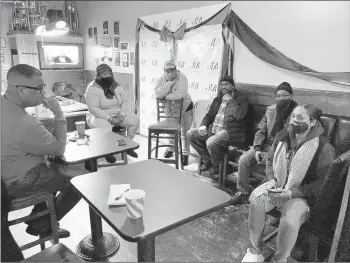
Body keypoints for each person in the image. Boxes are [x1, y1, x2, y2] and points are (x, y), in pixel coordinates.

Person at [1, 64, 87, 238]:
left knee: (54, 170)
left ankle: (41, 221)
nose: (43, 93)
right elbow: (58, 148)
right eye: (40, 88)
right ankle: (43, 224)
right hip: (17, 182)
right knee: (81, 179)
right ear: (22, 90)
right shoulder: (24, 122)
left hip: (6, 176)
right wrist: (59, 113)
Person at [241, 104, 335, 262]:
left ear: (312, 122)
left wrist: (291, 193)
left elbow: (321, 185)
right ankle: (256, 251)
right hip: (277, 185)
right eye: (293, 116)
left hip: (302, 195)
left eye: (300, 118)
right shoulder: (282, 136)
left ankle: (280, 259)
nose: (294, 121)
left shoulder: (324, 149)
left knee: (290, 219)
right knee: (256, 202)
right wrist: (271, 178)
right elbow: (270, 160)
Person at [232, 82, 298, 204]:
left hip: (283, 149)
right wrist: (257, 148)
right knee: (244, 160)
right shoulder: (271, 110)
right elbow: (261, 130)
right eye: (278, 96)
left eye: (285, 95)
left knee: (274, 168)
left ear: (291, 96)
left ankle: (269, 199)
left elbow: (294, 138)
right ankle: (244, 192)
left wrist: (270, 155)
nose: (281, 98)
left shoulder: (297, 113)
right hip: (266, 145)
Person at [187, 75, 249, 177]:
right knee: (190, 134)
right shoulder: (218, 99)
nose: (223, 87)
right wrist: (203, 125)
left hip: (230, 132)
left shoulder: (241, 100)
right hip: (214, 130)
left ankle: (216, 166)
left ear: (233, 86)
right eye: (221, 84)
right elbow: (209, 115)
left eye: (226, 84)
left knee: (210, 142)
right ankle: (209, 159)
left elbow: (240, 116)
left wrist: (231, 101)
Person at [85, 63, 139, 162]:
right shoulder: (92, 88)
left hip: (117, 114)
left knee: (135, 120)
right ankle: (107, 151)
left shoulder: (116, 86)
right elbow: (93, 109)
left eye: (109, 73)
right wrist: (110, 119)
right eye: (105, 74)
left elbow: (125, 101)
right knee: (105, 127)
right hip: (98, 116)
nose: (108, 76)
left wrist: (122, 115)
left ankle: (127, 146)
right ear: (98, 76)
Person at [154, 60, 194, 165]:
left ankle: (185, 153)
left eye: (172, 70)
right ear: (164, 71)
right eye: (167, 70)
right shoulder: (162, 79)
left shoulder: (183, 78)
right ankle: (171, 149)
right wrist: (169, 83)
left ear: (176, 70)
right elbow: (158, 93)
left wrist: (165, 96)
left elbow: (180, 94)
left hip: (185, 107)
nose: (170, 72)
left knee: (185, 132)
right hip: (171, 109)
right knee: (171, 131)